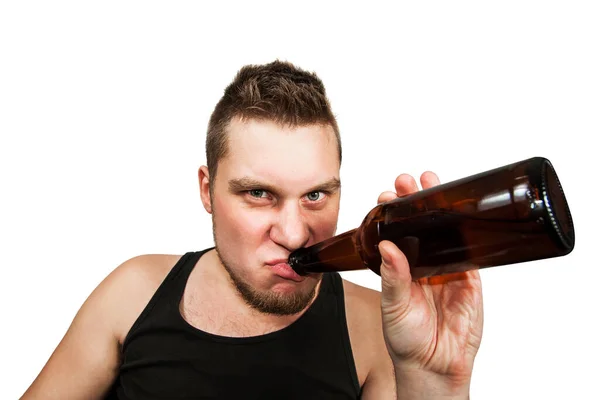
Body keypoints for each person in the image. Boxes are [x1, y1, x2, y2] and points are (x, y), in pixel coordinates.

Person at [21, 60, 484, 399]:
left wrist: (436, 379)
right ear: (208, 190)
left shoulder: (377, 327)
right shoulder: (134, 293)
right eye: (259, 194)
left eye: (316, 195)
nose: (294, 233)